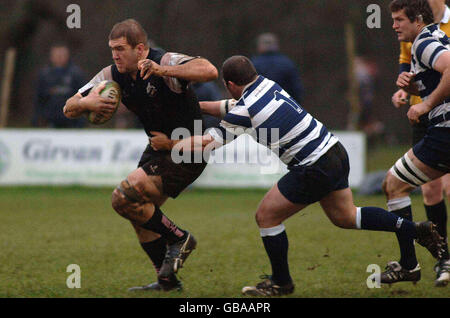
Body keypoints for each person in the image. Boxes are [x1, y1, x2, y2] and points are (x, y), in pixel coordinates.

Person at [150, 55, 444, 296]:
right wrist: (195, 106)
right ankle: (415, 229)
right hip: (334, 151)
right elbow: (230, 107)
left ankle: (281, 282)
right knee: (346, 217)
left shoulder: (246, 108)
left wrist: (169, 144)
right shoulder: (265, 85)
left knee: (266, 216)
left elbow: (205, 143)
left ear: (229, 84)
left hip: (313, 165)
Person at [63, 19, 218, 291]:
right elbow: (68, 108)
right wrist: (88, 102)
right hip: (157, 148)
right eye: (112, 48)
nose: (115, 54)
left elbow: (209, 70)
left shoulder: (165, 61)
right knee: (135, 210)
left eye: (121, 48)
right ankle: (166, 280)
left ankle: (180, 239)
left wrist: (163, 69)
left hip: (187, 149)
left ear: (141, 49)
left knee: (123, 195)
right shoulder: (112, 74)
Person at [380, 0, 450, 285]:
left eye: (399, 20)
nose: (394, 25)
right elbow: (436, 78)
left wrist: (425, 105)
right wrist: (413, 88)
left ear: (417, 19)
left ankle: (409, 264)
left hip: (444, 133)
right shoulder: (435, 35)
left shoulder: (422, 43)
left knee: (394, 185)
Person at [33, 44, 86, 128]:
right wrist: (37, 118)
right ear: (51, 57)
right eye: (57, 55)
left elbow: (83, 96)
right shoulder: (44, 75)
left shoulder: (76, 74)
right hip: (50, 119)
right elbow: (39, 98)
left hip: (72, 120)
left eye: (62, 55)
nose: (59, 58)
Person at [251, 33, 303, 104]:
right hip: (285, 105)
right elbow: (296, 88)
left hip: (261, 106)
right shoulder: (287, 63)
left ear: (260, 46)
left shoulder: (253, 64)